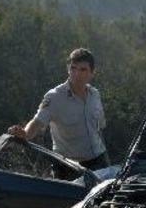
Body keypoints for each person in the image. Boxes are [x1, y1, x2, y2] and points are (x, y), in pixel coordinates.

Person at [8, 48, 109, 180]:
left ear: (92, 73)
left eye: (83, 70)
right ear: (68, 69)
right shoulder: (55, 97)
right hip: (68, 167)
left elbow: (99, 129)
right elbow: (37, 121)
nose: (77, 74)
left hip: (98, 162)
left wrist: (106, 161)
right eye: (73, 68)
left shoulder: (95, 95)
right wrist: (25, 134)